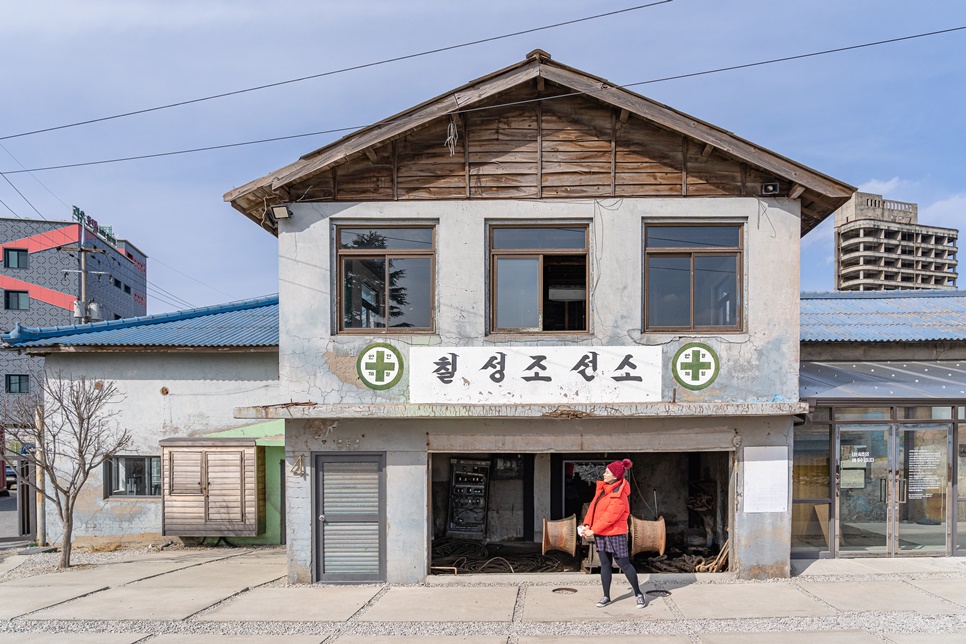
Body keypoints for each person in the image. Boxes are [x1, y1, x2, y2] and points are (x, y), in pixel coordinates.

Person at [581, 458, 645, 609]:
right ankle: (606, 596)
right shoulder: (603, 489)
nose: (604, 474)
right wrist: (587, 524)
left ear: (615, 476)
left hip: (616, 534)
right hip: (601, 534)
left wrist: (593, 530)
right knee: (605, 565)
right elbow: (593, 508)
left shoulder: (620, 494)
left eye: (607, 472)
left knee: (624, 565)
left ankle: (638, 593)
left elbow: (610, 517)